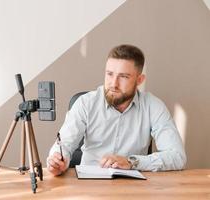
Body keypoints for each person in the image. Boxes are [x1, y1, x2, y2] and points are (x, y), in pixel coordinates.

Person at [47, 44, 187, 176]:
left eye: (124, 77)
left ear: (139, 80)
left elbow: (177, 156)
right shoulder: (85, 103)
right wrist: (58, 160)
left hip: (133, 187)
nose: (113, 84)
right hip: (89, 184)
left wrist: (131, 162)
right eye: (109, 74)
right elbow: (63, 144)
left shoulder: (153, 106)